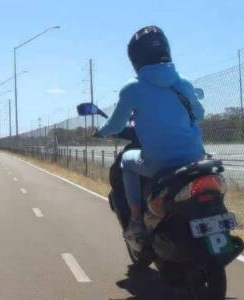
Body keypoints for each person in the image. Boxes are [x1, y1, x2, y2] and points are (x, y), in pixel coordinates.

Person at [96, 26, 205, 248]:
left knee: (127, 162)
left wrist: (102, 132)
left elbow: (116, 124)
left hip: (159, 163)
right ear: (166, 49)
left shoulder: (132, 89)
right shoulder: (183, 83)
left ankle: (136, 218)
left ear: (135, 58)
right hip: (195, 157)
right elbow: (200, 115)